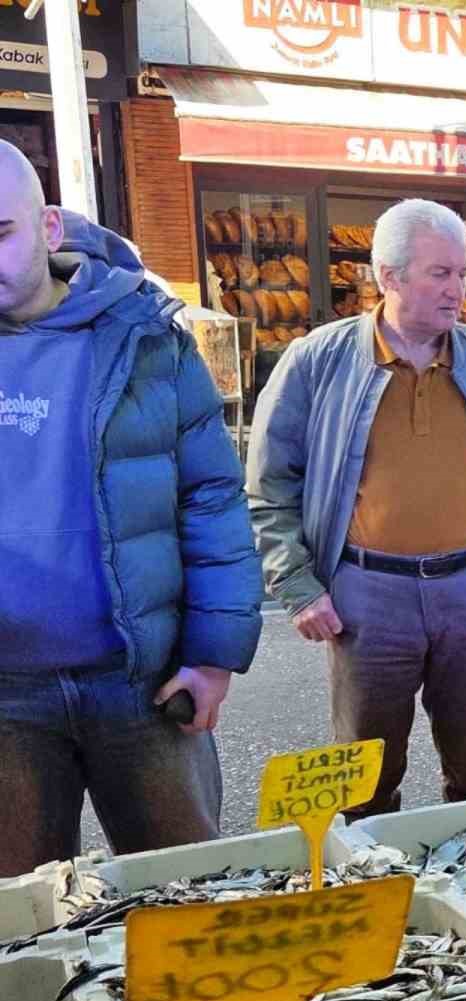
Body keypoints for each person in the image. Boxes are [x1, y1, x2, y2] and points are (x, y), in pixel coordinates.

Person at [0, 141, 262, 875]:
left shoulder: (144, 337)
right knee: (27, 927)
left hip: (141, 683)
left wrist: (213, 656)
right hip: (5, 701)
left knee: (180, 897)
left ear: (49, 226)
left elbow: (210, 496)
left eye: (0, 233)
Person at [248, 198, 466, 820]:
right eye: (440, 273)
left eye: (462, 273)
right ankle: (377, 904)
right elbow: (268, 484)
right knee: (364, 786)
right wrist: (298, 586)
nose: (458, 290)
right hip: (367, 597)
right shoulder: (317, 362)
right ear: (387, 276)